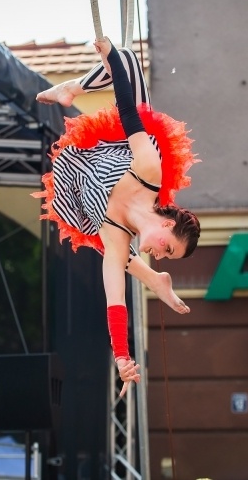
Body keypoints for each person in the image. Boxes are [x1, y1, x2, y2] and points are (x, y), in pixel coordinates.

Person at [34, 37, 201, 396]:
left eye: (163, 258)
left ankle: (74, 86)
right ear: (168, 224)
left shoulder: (117, 239)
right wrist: (109, 57)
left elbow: (116, 301)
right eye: (168, 249)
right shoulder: (149, 174)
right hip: (112, 146)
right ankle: (74, 86)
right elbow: (127, 112)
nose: (159, 253)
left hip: (76, 181)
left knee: (124, 60)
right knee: (124, 61)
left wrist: (122, 357)